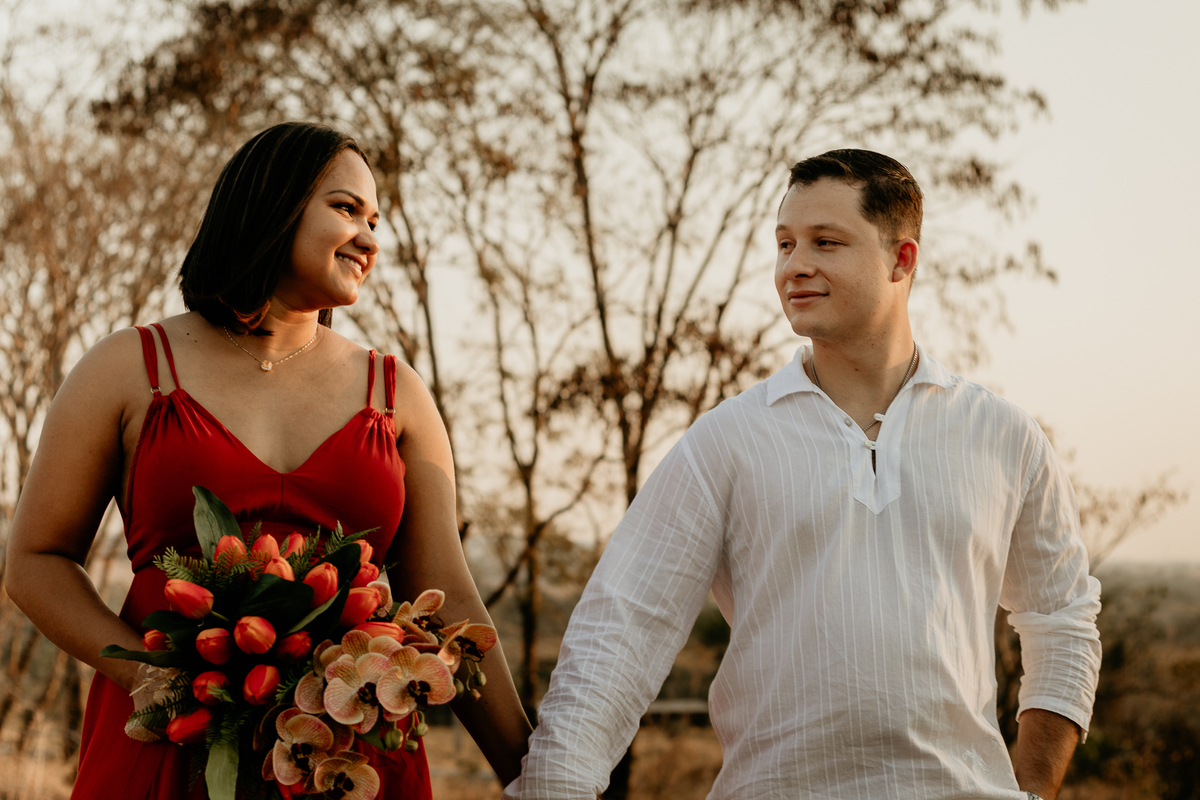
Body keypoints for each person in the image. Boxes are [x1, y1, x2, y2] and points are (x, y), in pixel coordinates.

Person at [505, 150, 1101, 800]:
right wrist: (554, 789)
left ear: (902, 260)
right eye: (785, 244)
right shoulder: (726, 441)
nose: (794, 265)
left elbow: (1062, 618)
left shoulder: (1003, 436)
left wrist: (1033, 791)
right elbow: (622, 630)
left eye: (826, 242)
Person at [7, 121, 533, 799]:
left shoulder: (396, 393)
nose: (370, 240)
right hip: (174, 745)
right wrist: (144, 674)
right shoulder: (127, 369)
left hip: (350, 760)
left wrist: (538, 775)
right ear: (274, 203)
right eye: (347, 209)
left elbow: (449, 597)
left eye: (375, 221)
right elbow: (36, 560)